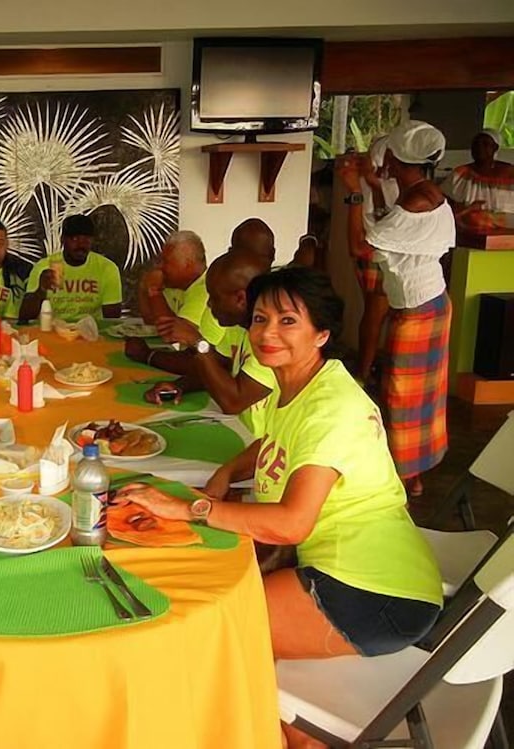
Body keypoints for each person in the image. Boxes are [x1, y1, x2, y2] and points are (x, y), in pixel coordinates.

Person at [116, 268, 442, 746]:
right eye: (260, 318)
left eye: (288, 321)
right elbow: (278, 442)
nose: (268, 333)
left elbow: (291, 524)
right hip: (352, 569)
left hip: (375, 594)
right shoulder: (296, 384)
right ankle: (280, 731)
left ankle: (287, 737)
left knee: (219, 627)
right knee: (217, 605)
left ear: (322, 334)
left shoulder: (332, 407)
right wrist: (228, 471)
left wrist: (190, 509)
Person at [338, 120, 455, 498]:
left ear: (396, 158)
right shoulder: (422, 193)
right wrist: (373, 187)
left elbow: (360, 246)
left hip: (419, 310)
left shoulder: (416, 202)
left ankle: (405, 480)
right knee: (419, 398)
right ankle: (413, 475)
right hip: (428, 303)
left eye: (388, 151)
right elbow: (391, 225)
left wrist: (353, 194)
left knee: (401, 395)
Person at [124, 251, 275, 435]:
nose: (209, 304)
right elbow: (220, 366)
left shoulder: (270, 341)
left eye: (215, 297)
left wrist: (197, 342)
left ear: (240, 299)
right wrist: (180, 386)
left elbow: (233, 403)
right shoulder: (238, 327)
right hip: (239, 430)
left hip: (261, 441)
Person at [19, 214, 123, 321]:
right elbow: (25, 317)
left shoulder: (106, 268)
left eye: (86, 239)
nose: (81, 245)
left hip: (92, 329)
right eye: (74, 239)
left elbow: (112, 320)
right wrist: (40, 290)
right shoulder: (44, 266)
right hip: (52, 328)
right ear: (63, 240)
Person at [352, 135, 396, 385]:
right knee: (375, 314)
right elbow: (383, 220)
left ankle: (367, 369)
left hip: (372, 254)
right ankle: (365, 372)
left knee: (374, 314)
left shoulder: (372, 183)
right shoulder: (381, 185)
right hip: (379, 254)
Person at [137, 230, 210, 349]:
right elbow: (150, 320)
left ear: (188, 264)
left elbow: (170, 335)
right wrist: (143, 287)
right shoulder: (177, 285)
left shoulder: (206, 289)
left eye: (166, 261)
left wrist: (154, 290)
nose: (160, 266)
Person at [441, 128, 514, 230]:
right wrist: (468, 209)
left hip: (505, 234)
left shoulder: (510, 173)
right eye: (476, 144)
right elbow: (444, 206)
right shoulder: (460, 174)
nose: (479, 148)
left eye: (485, 144)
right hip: (467, 232)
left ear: (495, 147)